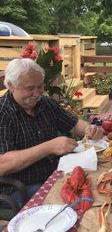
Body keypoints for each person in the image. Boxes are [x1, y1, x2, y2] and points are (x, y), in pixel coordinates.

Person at [0, 58, 103, 205]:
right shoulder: (3, 113)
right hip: (19, 188)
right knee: (75, 206)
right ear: (11, 86)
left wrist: (89, 128)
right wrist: (49, 147)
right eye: (30, 88)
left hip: (55, 175)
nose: (37, 93)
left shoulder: (45, 103)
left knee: (96, 186)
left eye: (40, 86)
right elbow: (2, 164)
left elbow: (73, 124)